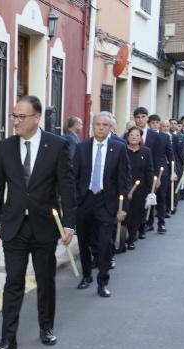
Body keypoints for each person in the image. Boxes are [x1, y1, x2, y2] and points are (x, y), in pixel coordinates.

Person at [0, 95, 76, 349]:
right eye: (13, 116)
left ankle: (46, 327)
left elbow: (66, 187)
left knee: (45, 280)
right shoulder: (4, 147)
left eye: (21, 116)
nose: (15, 121)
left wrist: (69, 223)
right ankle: (7, 338)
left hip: (45, 226)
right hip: (14, 226)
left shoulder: (57, 146)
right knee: (13, 281)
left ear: (36, 118)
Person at [73, 112, 131, 297]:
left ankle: (102, 281)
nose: (101, 128)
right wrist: (73, 201)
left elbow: (124, 179)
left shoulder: (119, 148)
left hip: (107, 202)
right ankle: (87, 275)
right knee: (83, 241)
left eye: (105, 125)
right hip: (85, 200)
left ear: (110, 128)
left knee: (105, 243)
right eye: (97, 124)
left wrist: (123, 208)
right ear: (92, 126)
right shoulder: (82, 147)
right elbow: (73, 176)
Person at [123, 127, 153, 250]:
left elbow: (149, 170)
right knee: (125, 214)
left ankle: (131, 239)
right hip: (124, 187)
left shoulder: (146, 152)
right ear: (127, 137)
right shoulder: (122, 151)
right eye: (131, 135)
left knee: (136, 214)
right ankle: (121, 239)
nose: (134, 137)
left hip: (140, 189)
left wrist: (151, 188)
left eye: (137, 135)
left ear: (140, 138)